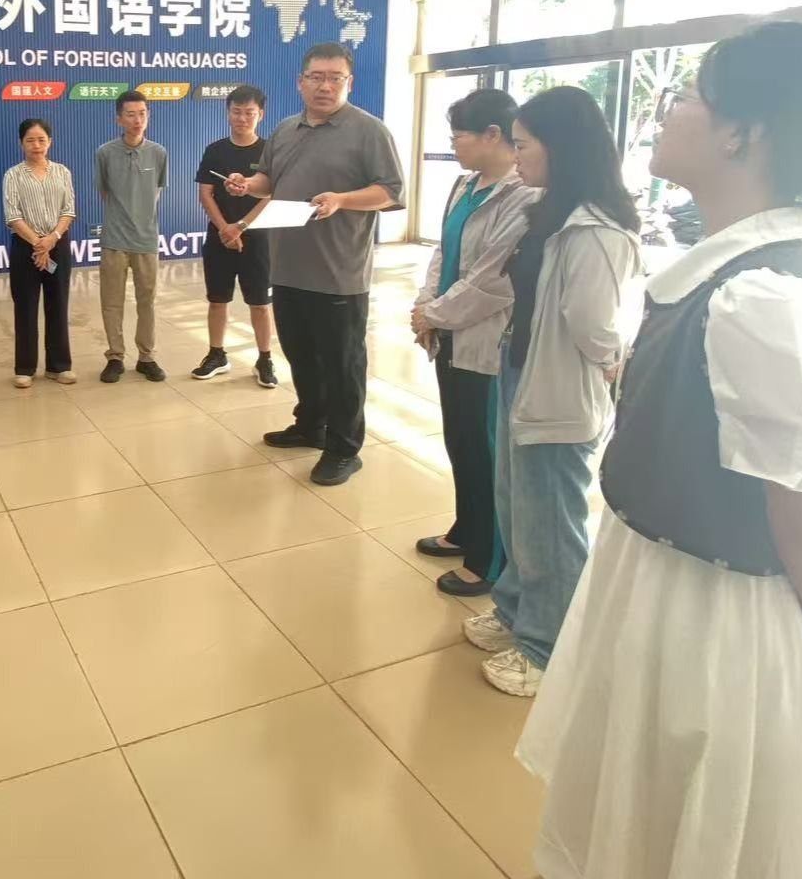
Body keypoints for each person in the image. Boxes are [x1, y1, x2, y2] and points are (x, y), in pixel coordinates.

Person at [518, 23, 802, 878]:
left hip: (716, 616)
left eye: (687, 95)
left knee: (685, 822)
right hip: (659, 579)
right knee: (638, 812)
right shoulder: (724, 276)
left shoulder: (765, 300)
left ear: (741, 135)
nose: (666, 109)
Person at [462, 86, 642, 698]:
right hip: (522, 370)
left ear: (561, 147)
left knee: (550, 521)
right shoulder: (547, 209)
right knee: (518, 506)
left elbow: (595, 325)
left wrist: (613, 363)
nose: (516, 157)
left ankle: (548, 647)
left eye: (524, 145)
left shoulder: (597, 227)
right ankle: (516, 611)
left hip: (560, 386)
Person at [225, 42, 405, 485]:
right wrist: (247, 184)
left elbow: (391, 192)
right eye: (316, 77)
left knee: (343, 366)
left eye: (335, 78)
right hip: (288, 267)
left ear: (349, 83)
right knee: (301, 355)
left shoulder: (369, 131)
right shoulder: (286, 129)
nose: (325, 86)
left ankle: (344, 449)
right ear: (300, 82)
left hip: (339, 273)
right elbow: (270, 180)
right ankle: (310, 425)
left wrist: (342, 200)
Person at [410, 88, 536, 597]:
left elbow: (493, 280)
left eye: (458, 136)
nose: (453, 145)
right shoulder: (465, 185)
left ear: (492, 135)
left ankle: (489, 558)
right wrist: (426, 305)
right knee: (459, 438)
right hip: (449, 334)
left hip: (485, 340)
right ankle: (466, 528)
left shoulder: (522, 195)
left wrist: (433, 313)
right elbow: (444, 253)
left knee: (485, 449)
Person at [193, 84, 278, 387]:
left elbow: (270, 195)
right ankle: (217, 354)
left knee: (260, 303)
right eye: (236, 112)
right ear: (228, 113)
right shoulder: (215, 150)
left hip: (257, 238)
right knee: (217, 300)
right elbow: (205, 193)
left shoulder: (269, 151)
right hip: (220, 237)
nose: (242, 118)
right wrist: (225, 228)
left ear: (260, 115)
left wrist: (240, 226)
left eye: (249, 113)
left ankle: (265, 359)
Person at [95, 89, 169, 383]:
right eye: (130, 114)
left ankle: (146, 357)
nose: (137, 120)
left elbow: (157, 190)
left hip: (146, 240)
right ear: (118, 119)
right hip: (114, 239)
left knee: (147, 302)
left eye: (142, 114)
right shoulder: (105, 153)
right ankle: (115, 357)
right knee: (111, 302)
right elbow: (104, 191)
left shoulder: (159, 153)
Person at [2, 117, 78, 388]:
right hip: (26, 247)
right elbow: (12, 216)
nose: (36, 145)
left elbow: (68, 210)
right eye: (30, 140)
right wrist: (38, 243)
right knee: (25, 306)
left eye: (41, 140)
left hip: (58, 244)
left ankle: (59, 366)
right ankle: (25, 368)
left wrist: (52, 239)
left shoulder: (62, 172)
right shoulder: (13, 175)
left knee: (58, 304)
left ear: (50, 142)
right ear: (21, 143)